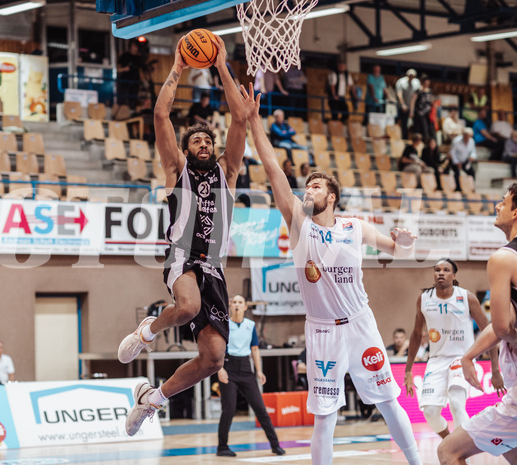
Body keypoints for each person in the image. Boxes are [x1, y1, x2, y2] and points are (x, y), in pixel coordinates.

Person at [242, 83, 423, 465]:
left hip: (360, 323)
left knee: (389, 402)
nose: (308, 190)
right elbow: (273, 167)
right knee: (325, 416)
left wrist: (405, 241)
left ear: (331, 197)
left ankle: (418, 463)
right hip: (322, 329)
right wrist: (253, 121)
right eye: (307, 186)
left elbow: (400, 251)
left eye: (316, 186)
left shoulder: (356, 227)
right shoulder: (298, 225)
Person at [117, 35, 247, 437]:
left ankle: (152, 399)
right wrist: (178, 66)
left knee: (213, 359)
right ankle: (146, 331)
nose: (205, 144)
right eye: (198, 141)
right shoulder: (177, 171)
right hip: (182, 257)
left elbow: (240, 119)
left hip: (215, 268)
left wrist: (222, 64)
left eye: (209, 140)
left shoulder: (228, 172)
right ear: (187, 150)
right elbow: (160, 117)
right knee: (187, 307)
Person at [437, 183, 517, 464]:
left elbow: (503, 327)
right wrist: (470, 355)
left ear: (516, 211)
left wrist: (470, 356)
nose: (497, 206)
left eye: (503, 202)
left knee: (448, 451)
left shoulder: (503, 258)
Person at [404, 258, 503, 440]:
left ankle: (461, 450)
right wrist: (408, 370)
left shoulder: (466, 297)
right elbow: (416, 334)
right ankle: (451, 443)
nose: (440, 272)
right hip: (436, 360)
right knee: (430, 412)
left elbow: (490, 333)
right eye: (437, 269)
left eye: (446, 269)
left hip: (462, 357)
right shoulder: (424, 299)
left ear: (454, 275)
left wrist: (495, 369)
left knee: (457, 403)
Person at [216, 295, 285, 457]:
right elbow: (217, 348)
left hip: (246, 369)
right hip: (228, 367)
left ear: (246, 307)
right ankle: (222, 447)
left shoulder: (250, 325)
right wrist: (220, 369)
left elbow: (255, 349)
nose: (237, 305)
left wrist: (259, 371)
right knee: (229, 409)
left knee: (260, 409)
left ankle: (275, 445)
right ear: (230, 306)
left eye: (240, 302)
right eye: (234, 302)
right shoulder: (224, 324)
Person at [117, 40, 144, 108]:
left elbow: (141, 70)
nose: (135, 48)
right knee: (122, 100)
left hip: (134, 83)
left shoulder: (139, 58)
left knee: (132, 101)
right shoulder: (124, 56)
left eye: (136, 46)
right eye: (133, 46)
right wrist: (125, 69)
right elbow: (118, 69)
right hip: (124, 83)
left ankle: (132, 112)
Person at [396, 69, 421, 139]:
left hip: (412, 107)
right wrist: (403, 105)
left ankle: (415, 139)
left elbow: (415, 97)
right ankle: (404, 138)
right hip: (404, 106)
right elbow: (399, 94)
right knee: (404, 124)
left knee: (415, 124)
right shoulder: (401, 82)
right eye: (410, 76)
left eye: (413, 76)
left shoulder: (416, 83)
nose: (411, 77)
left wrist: (412, 110)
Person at [410, 74, 435, 141]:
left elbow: (432, 101)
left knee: (431, 130)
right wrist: (411, 111)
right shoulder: (419, 91)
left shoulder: (430, 91)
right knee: (424, 130)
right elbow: (413, 100)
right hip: (420, 113)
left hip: (428, 114)